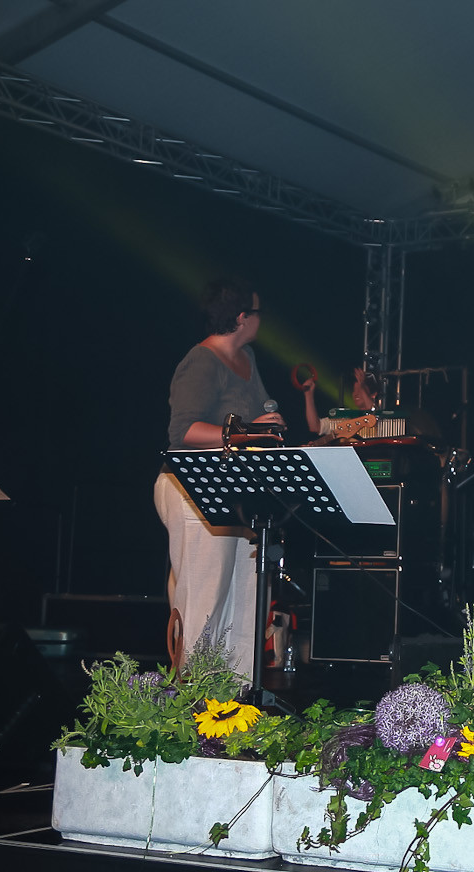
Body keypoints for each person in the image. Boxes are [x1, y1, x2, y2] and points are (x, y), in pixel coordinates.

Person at [153, 278, 285, 680]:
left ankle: (235, 699)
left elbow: (256, 424)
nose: (261, 320)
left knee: (246, 600)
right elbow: (183, 432)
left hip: (236, 489)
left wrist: (266, 430)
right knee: (205, 598)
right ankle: (191, 697)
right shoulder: (201, 360)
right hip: (193, 486)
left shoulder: (247, 359)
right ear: (242, 317)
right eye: (258, 312)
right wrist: (249, 431)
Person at [301, 366, 406, 441]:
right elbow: (315, 427)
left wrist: (362, 386)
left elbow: (373, 415)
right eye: (354, 390)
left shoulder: (385, 421)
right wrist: (308, 395)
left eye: (361, 389)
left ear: (373, 394)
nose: (356, 393)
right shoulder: (345, 420)